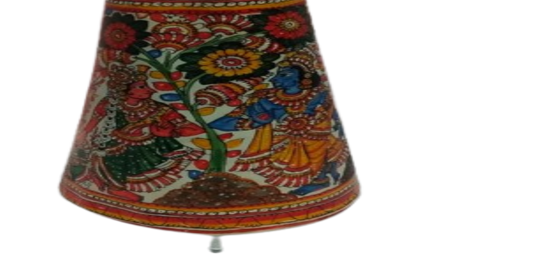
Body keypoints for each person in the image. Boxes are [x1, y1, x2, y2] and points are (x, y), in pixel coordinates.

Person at [209, 50, 348, 195]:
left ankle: (322, 179)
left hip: (320, 137)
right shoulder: (266, 99)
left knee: (326, 153)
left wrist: (335, 123)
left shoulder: (319, 93)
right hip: (286, 140)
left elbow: (332, 114)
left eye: (284, 75)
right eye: (278, 75)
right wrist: (206, 128)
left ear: (303, 77)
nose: (274, 79)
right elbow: (238, 118)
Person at [70, 64, 204, 200]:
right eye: (141, 87)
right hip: (116, 142)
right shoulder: (110, 103)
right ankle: (113, 188)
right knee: (106, 157)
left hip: (148, 148)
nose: (151, 90)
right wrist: (82, 136)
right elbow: (93, 121)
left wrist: (171, 133)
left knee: (124, 160)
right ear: (125, 89)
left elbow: (196, 129)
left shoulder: (158, 109)